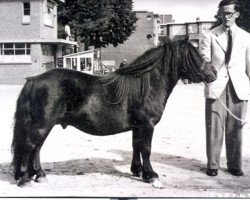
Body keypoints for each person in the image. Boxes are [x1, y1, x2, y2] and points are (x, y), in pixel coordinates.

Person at [200, 0, 250, 177]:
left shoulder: (246, 37)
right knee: (214, 126)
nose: (226, 16)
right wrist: (208, 77)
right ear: (219, 14)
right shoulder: (210, 35)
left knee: (236, 127)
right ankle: (212, 165)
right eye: (223, 13)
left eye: (229, 13)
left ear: (237, 14)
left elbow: (249, 66)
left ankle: (234, 165)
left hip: (239, 88)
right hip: (216, 88)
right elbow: (205, 63)